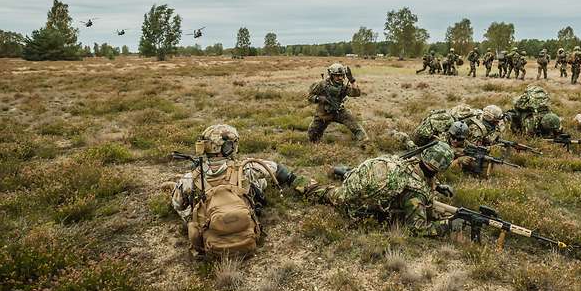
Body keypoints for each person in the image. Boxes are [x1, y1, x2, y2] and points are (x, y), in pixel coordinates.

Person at [277, 142, 456, 237]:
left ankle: (345, 172)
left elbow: (424, 175)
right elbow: (417, 229)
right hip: (357, 202)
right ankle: (289, 177)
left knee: (352, 176)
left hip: (371, 180)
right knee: (328, 193)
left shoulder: (415, 161)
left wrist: (437, 186)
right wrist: (449, 226)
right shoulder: (415, 194)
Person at [169, 124, 285, 258]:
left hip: (212, 239)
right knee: (257, 183)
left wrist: (193, 216)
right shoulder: (245, 169)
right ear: (229, 147)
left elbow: (178, 204)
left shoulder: (190, 178)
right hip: (246, 233)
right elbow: (276, 169)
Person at [307, 63, 368, 144]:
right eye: (337, 75)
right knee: (312, 136)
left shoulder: (343, 87)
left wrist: (352, 80)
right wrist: (319, 98)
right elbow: (309, 96)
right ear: (331, 75)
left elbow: (356, 93)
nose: (340, 78)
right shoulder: (321, 84)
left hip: (339, 111)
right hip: (323, 113)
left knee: (356, 128)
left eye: (342, 75)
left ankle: (365, 144)